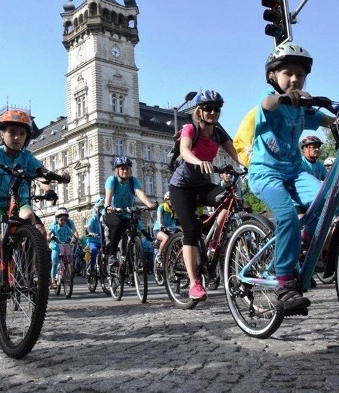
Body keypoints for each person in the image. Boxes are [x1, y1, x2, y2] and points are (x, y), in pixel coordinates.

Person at [247, 43, 339, 314]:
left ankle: (301, 240)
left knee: (329, 201)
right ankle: (284, 283)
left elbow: (333, 122)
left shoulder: (303, 109)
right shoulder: (270, 99)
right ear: (272, 77)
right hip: (265, 173)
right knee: (288, 215)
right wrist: (286, 97)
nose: (294, 79)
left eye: (300, 75)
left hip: (294, 173)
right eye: (287, 73)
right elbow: (268, 103)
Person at [0, 109, 69, 293]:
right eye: (12, 132)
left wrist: (53, 184)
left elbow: (42, 175)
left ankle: (28, 263)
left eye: (21, 134)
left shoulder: (27, 158)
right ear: (2, 134)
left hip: (20, 202)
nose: (16, 137)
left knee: (29, 217)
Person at [168, 90, 242, 302]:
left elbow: (235, 153)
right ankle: (194, 283)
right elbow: (185, 150)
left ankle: (213, 242)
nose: (212, 112)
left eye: (216, 109)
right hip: (181, 188)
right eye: (208, 108)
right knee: (191, 231)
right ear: (199, 111)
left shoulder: (219, 132)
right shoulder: (190, 129)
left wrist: (248, 165)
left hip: (203, 186)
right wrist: (198, 161)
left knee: (229, 198)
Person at [103, 157, 157, 268]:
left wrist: (149, 204)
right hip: (112, 213)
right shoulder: (112, 180)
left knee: (135, 228)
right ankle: (112, 255)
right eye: (122, 168)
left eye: (127, 168)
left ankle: (130, 262)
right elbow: (108, 195)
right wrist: (108, 206)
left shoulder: (133, 181)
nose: (125, 171)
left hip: (126, 214)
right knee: (118, 224)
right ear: (116, 170)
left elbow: (139, 193)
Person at [47, 207, 79, 289]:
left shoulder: (67, 226)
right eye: (62, 220)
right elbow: (48, 234)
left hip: (65, 244)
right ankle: (53, 280)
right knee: (54, 262)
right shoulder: (54, 227)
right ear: (57, 219)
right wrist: (50, 237)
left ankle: (67, 273)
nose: (64, 221)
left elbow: (72, 233)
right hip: (56, 246)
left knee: (68, 260)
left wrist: (74, 238)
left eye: (65, 219)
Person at [152, 192, 177, 267]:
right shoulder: (161, 207)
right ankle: (159, 255)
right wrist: (160, 224)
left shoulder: (174, 209)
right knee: (166, 239)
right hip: (158, 229)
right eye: (171, 199)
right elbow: (159, 216)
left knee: (175, 242)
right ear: (166, 200)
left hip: (169, 229)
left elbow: (176, 220)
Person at [85, 197, 104, 276]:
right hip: (92, 241)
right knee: (94, 250)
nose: (101, 210)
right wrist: (91, 233)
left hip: (102, 241)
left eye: (102, 208)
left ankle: (105, 268)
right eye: (100, 208)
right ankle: (92, 268)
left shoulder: (103, 218)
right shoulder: (92, 219)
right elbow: (87, 228)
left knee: (107, 251)